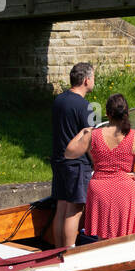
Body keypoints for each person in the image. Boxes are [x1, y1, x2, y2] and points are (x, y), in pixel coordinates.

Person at [64, 93, 135, 241]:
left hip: (100, 189)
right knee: (126, 237)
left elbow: (69, 153)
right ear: (127, 113)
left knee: (103, 239)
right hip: (124, 188)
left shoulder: (94, 135)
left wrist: (82, 132)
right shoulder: (134, 136)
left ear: (107, 114)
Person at [51, 62, 94, 248]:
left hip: (59, 160)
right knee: (74, 210)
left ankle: (57, 250)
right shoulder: (88, 106)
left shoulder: (58, 100)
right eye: (93, 78)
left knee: (61, 207)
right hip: (78, 164)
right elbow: (91, 138)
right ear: (86, 80)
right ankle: (69, 252)